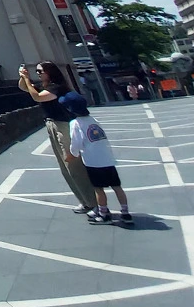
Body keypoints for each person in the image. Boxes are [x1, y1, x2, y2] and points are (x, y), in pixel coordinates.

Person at [19, 62, 96, 214]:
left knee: (73, 165)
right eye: (37, 71)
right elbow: (24, 88)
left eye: (40, 71)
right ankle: (84, 201)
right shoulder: (44, 86)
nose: (38, 73)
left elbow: (37, 97)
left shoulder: (56, 87)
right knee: (65, 167)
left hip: (63, 125)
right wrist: (23, 76)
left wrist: (27, 79)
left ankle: (92, 202)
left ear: (49, 72)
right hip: (51, 124)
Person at [62, 91, 132, 225]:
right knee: (117, 187)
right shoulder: (93, 120)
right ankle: (126, 213)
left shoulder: (75, 123)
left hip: (93, 162)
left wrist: (72, 155)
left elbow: (76, 143)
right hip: (107, 159)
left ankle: (104, 214)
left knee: (98, 189)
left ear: (70, 109)